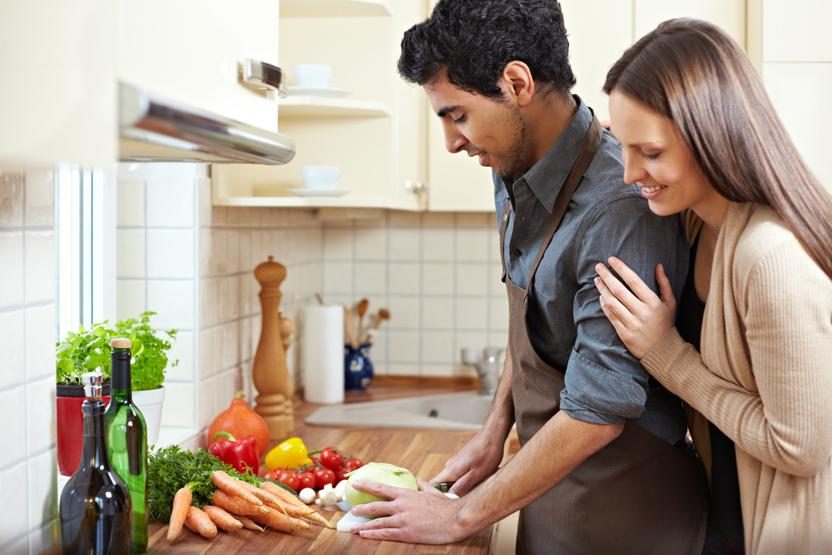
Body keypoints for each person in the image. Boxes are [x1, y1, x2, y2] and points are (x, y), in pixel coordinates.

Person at [349, 1, 708, 552]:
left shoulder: (617, 206)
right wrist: (496, 430)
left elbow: (599, 410)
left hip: (630, 519)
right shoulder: (511, 168)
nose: (450, 141)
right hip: (555, 501)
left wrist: (457, 517)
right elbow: (537, 322)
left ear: (516, 83)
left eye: (458, 115)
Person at [594, 18, 832, 554]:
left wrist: (666, 356)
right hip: (723, 516)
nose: (631, 173)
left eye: (650, 152)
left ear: (713, 134)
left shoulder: (770, 257)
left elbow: (799, 448)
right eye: (622, 145)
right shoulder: (697, 224)